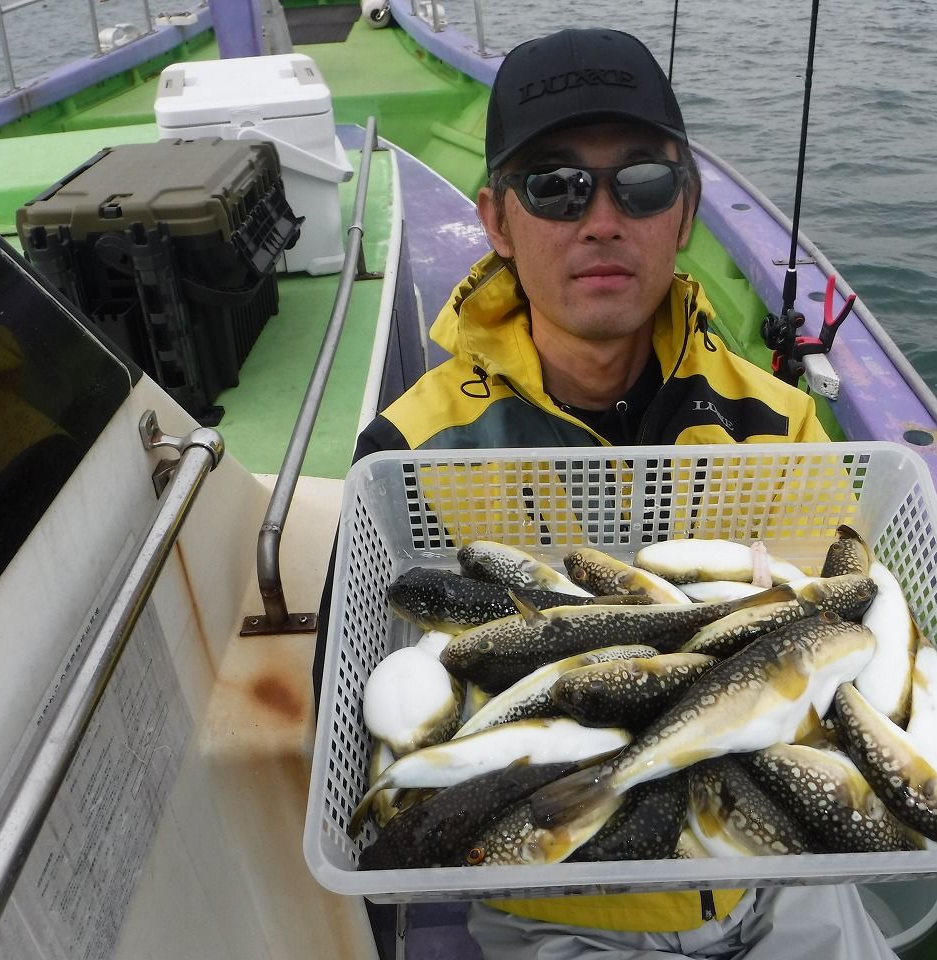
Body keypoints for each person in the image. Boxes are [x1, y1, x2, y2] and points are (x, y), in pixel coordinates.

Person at [320, 26, 898, 960]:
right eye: (555, 185)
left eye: (642, 183)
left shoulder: (777, 424)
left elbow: (834, 644)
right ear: (497, 221)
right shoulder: (411, 453)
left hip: (771, 877)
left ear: (685, 211)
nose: (600, 219)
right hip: (549, 912)